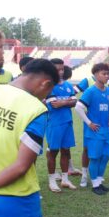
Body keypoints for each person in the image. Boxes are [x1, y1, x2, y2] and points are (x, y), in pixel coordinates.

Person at [0, 59, 59, 217]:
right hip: (16, 201)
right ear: (45, 83)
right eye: (48, 92)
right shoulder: (35, 109)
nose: (44, 97)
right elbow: (21, 166)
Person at [75, 63, 109, 195]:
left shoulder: (108, 91)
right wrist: (89, 122)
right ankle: (95, 185)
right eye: (104, 73)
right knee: (95, 157)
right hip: (95, 131)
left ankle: (99, 181)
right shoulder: (90, 91)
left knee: (106, 156)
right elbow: (78, 107)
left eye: (108, 74)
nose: (107, 76)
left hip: (106, 130)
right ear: (96, 74)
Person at [45, 58, 77, 192]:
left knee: (65, 150)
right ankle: (52, 181)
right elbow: (54, 104)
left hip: (68, 122)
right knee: (53, 152)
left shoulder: (68, 85)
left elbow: (75, 101)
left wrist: (65, 102)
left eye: (62, 69)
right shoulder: (48, 85)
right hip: (54, 123)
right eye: (57, 69)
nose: (60, 72)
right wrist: (67, 102)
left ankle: (65, 179)